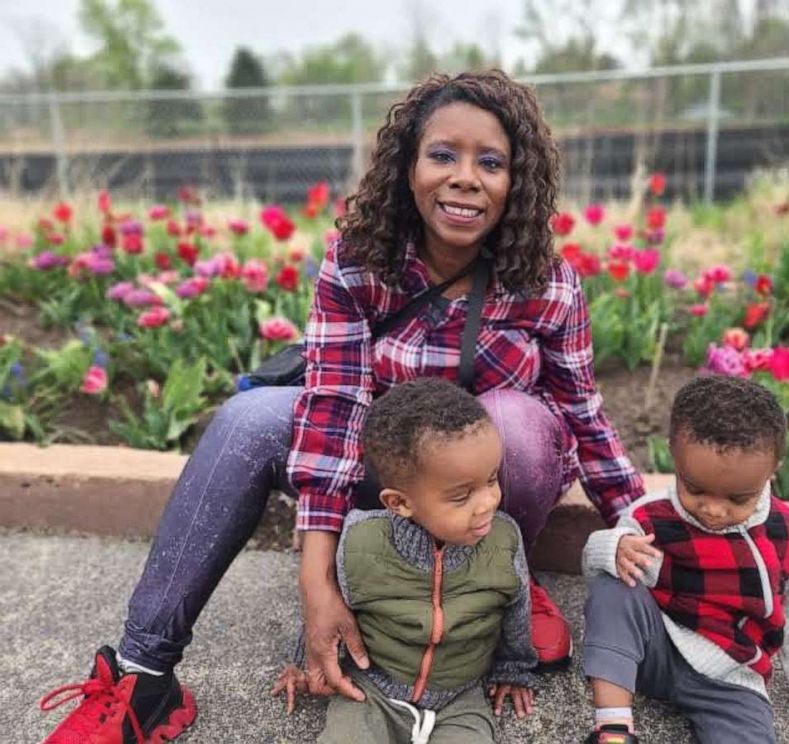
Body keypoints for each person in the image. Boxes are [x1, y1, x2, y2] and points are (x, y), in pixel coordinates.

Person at [39, 70, 644, 743]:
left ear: (517, 181)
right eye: (443, 154)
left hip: (491, 489)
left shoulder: (548, 285)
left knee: (517, 424)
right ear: (407, 166)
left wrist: (642, 525)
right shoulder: (358, 263)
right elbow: (332, 410)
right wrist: (316, 583)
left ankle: (498, 578)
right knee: (250, 419)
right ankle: (143, 674)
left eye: (491, 162)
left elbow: (584, 415)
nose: (466, 177)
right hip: (387, 474)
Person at [580, 375, 789, 744]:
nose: (714, 509)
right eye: (695, 489)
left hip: (733, 676)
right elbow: (602, 590)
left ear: (771, 471)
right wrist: (612, 549)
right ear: (674, 454)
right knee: (616, 584)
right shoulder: (651, 516)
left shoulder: (785, 533)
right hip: (655, 652)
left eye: (738, 498)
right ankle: (613, 729)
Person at [274, 377, 537, 742]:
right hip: (371, 690)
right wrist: (303, 661)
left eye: (491, 480)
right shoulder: (360, 541)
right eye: (462, 496)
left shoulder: (504, 539)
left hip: (461, 696)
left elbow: (517, 610)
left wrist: (514, 669)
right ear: (399, 503)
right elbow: (324, 607)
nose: (488, 501)